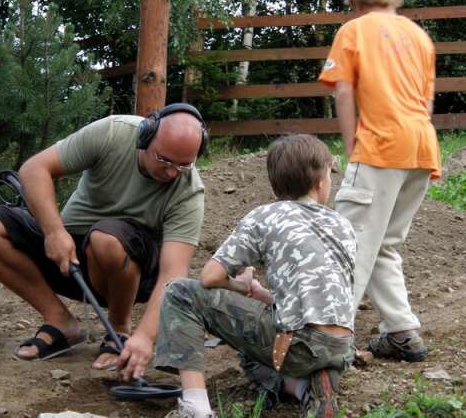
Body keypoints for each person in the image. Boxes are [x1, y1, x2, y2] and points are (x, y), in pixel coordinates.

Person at [0, 103, 206, 378]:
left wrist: (144, 337)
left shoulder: (189, 192)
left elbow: (173, 275)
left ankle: (120, 329)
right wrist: (54, 232)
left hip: (129, 271)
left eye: (184, 164)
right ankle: (60, 321)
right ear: (145, 137)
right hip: (68, 257)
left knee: (106, 239)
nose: (172, 172)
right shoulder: (113, 133)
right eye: (165, 160)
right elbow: (34, 169)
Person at [152, 134, 357, 418]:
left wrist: (239, 285)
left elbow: (210, 277)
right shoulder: (343, 225)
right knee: (275, 339)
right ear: (321, 180)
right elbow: (321, 294)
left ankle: (196, 407)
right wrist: (265, 297)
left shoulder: (264, 217)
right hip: (341, 346)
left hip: (298, 346)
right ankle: (306, 388)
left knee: (180, 292)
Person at [318, 0, 441, 362]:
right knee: (384, 244)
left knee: (350, 244)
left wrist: (354, 149)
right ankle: (402, 331)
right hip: (421, 148)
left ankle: (330, 342)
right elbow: (425, 101)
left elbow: (343, 92)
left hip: (380, 148)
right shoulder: (420, 37)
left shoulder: (353, 30)